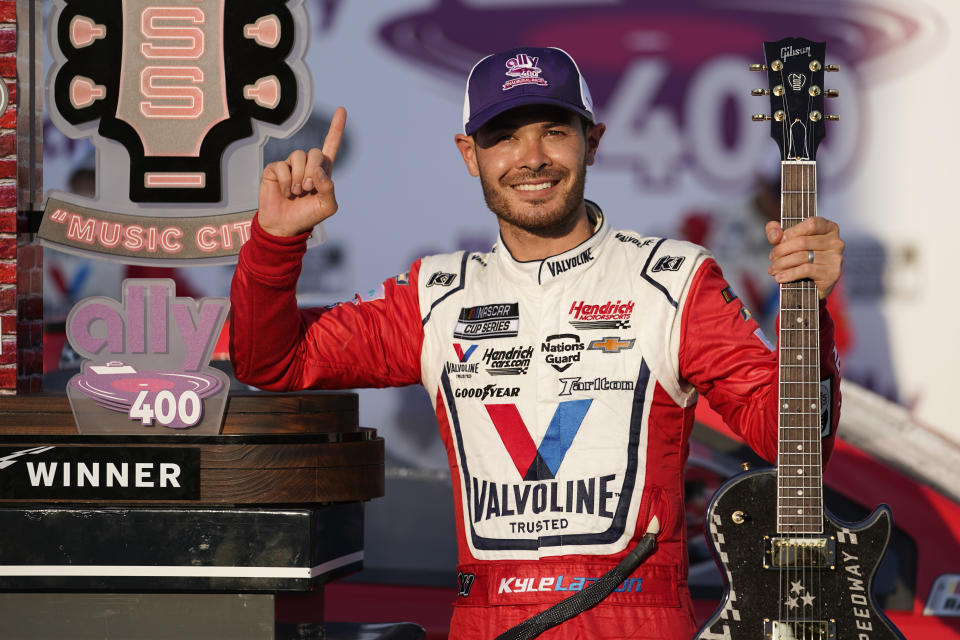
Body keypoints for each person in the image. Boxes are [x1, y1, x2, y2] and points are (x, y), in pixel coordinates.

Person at [230, 46, 844, 639]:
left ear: (593, 142)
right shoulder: (435, 295)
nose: (532, 157)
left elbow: (790, 437)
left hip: (638, 616)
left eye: (554, 130)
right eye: (504, 136)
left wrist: (808, 311)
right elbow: (275, 361)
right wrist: (276, 243)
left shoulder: (672, 279)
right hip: (493, 618)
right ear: (469, 154)